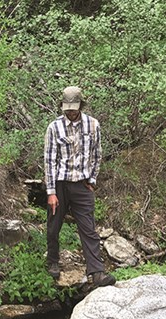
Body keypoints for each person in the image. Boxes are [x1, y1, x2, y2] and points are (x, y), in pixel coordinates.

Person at [44, 86, 116, 287]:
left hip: (82, 185)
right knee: (54, 226)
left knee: (88, 228)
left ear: (81, 105)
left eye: (74, 108)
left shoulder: (93, 125)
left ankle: (97, 273)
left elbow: (97, 154)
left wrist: (92, 179)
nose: (70, 112)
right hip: (59, 184)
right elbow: (49, 160)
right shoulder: (54, 127)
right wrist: (50, 191)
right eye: (67, 108)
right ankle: (53, 262)